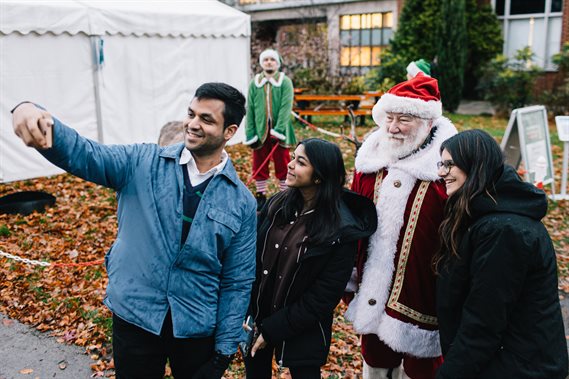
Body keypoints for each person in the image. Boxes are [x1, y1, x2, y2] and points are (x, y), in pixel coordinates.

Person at [11, 82, 258, 379]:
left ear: (229, 131)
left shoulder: (242, 202)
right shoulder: (141, 163)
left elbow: (237, 280)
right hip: (136, 316)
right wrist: (28, 109)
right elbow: (84, 153)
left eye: (206, 119)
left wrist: (224, 351)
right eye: (191, 114)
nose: (192, 124)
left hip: (196, 325)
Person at [344, 73, 458, 379]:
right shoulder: (369, 163)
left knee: (422, 366)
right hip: (371, 289)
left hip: (424, 293)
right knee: (376, 360)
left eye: (404, 119)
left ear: (427, 122)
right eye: (389, 118)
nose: (392, 128)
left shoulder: (448, 170)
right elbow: (353, 220)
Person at [434, 129, 568, 378]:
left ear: (475, 165)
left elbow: (485, 318)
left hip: (517, 367)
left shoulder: (503, 231)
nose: (442, 172)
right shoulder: (482, 214)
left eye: (450, 164)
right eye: (441, 164)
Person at [244, 138, 377, 378]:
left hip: (304, 328)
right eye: (293, 157)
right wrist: (247, 310)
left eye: (300, 162)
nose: (290, 164)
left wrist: (273, 330)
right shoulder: (277, 205)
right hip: (256, 318)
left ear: (319, 176)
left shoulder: (340, 230)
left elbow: (323, 297)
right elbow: (252, 259)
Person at [244, 48, 296, 210]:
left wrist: (279, 129)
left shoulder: (285, 81)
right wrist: (250, 132)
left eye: (272, 60)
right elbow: (250, 108)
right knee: (259, 162)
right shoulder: (255, 83)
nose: (269, 62)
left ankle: (285, 194)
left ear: (277, 63)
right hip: (260, 131)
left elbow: (286, 107)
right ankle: (261, 194)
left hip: (279, 131)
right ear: (261, 63)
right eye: (265, 59)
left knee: (283, 162)